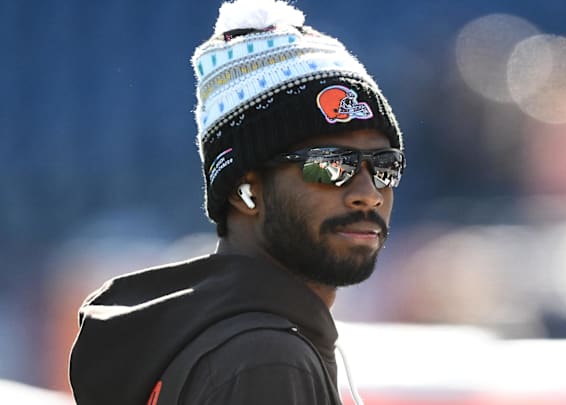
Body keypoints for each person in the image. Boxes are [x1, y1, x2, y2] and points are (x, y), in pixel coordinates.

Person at [68, 1, 405, 404]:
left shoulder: (230, 340)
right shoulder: (266, 360)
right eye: (331, 166)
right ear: (243, 191)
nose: (368, 192)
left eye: (386, 167)